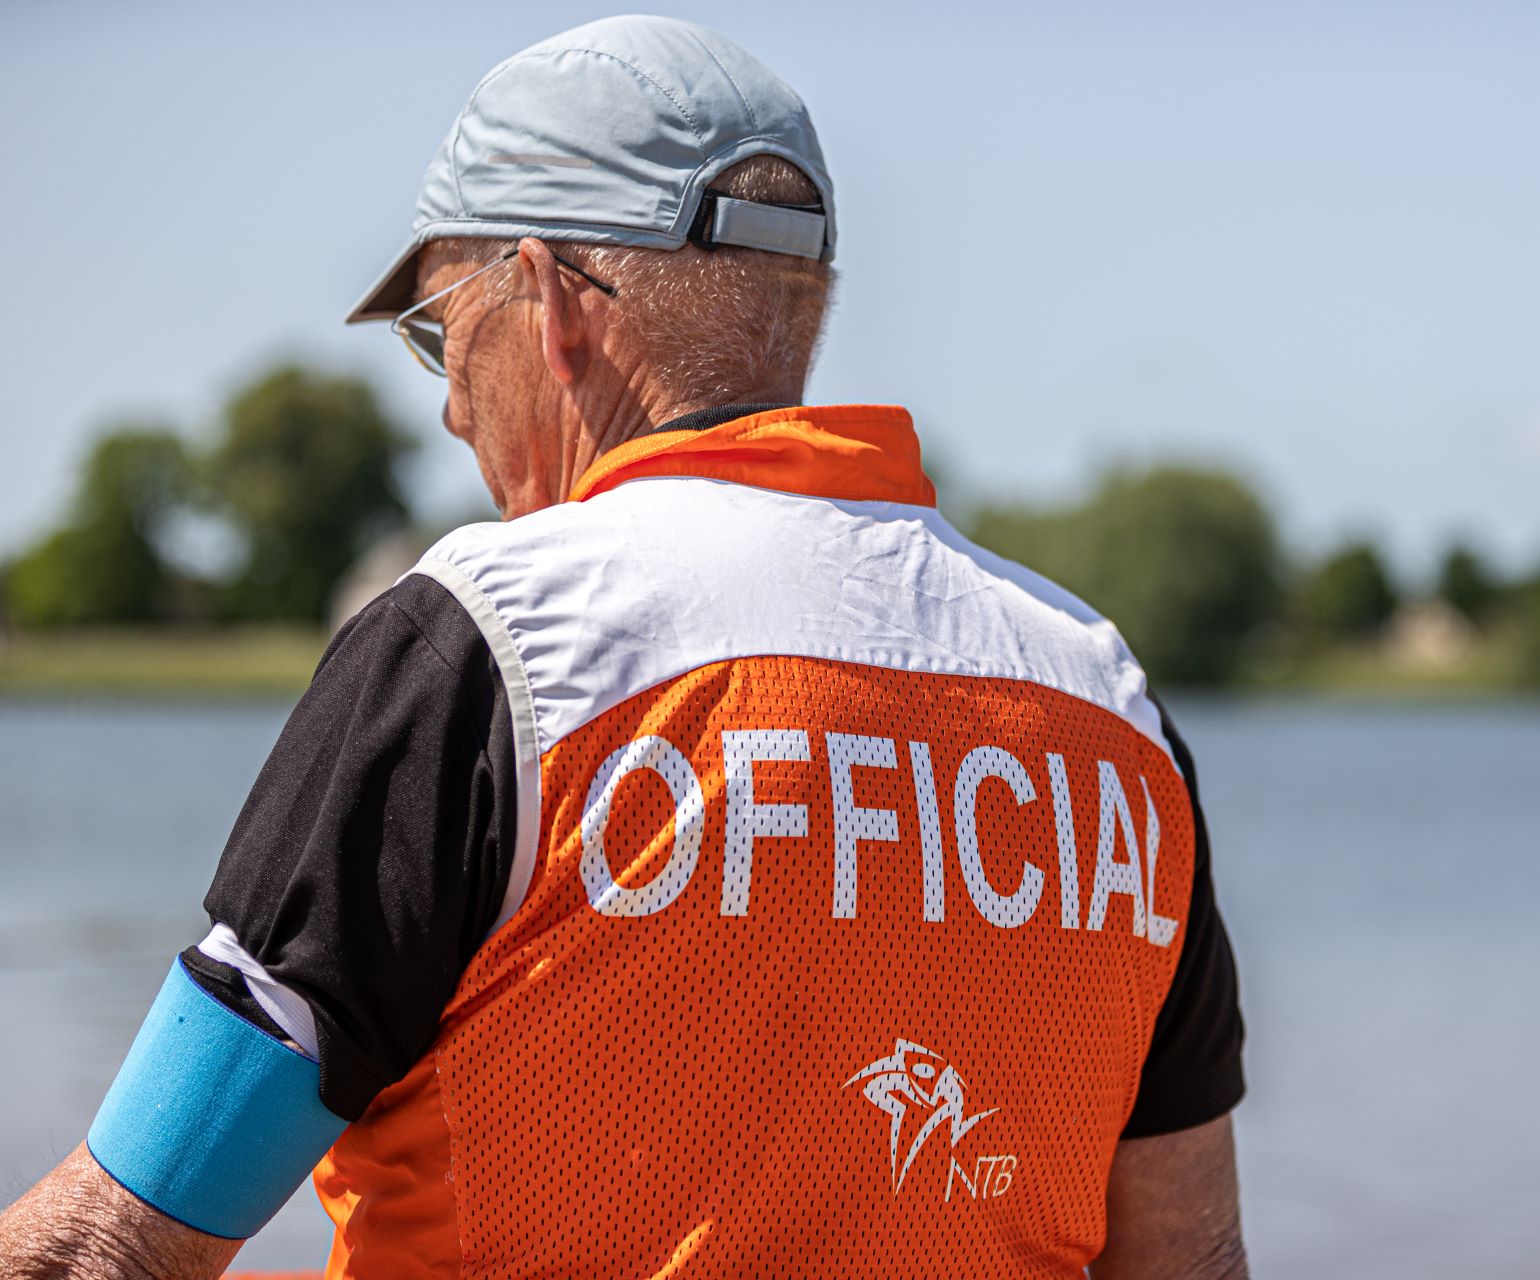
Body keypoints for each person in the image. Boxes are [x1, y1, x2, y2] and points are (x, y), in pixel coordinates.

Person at [0, 16, 1247, 1278]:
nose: (444, 402)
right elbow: (1191, 1261)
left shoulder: (489, 649)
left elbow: (111, 1247)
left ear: (548, 304)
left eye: (439, 329)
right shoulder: (1103, 699)